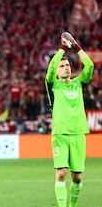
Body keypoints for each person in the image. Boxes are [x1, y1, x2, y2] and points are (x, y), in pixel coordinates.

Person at [45, 32, 94, 207]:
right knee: (61, 173)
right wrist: (63, 48)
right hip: (60, 135)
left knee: (77, 177)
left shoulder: (78, 83)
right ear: (57, 72)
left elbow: (89, 66)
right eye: (62, 66)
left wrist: (77, 47)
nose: (66, 67)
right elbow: (50, 69)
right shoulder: (53, 85)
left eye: (67, 65)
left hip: (78, 133)